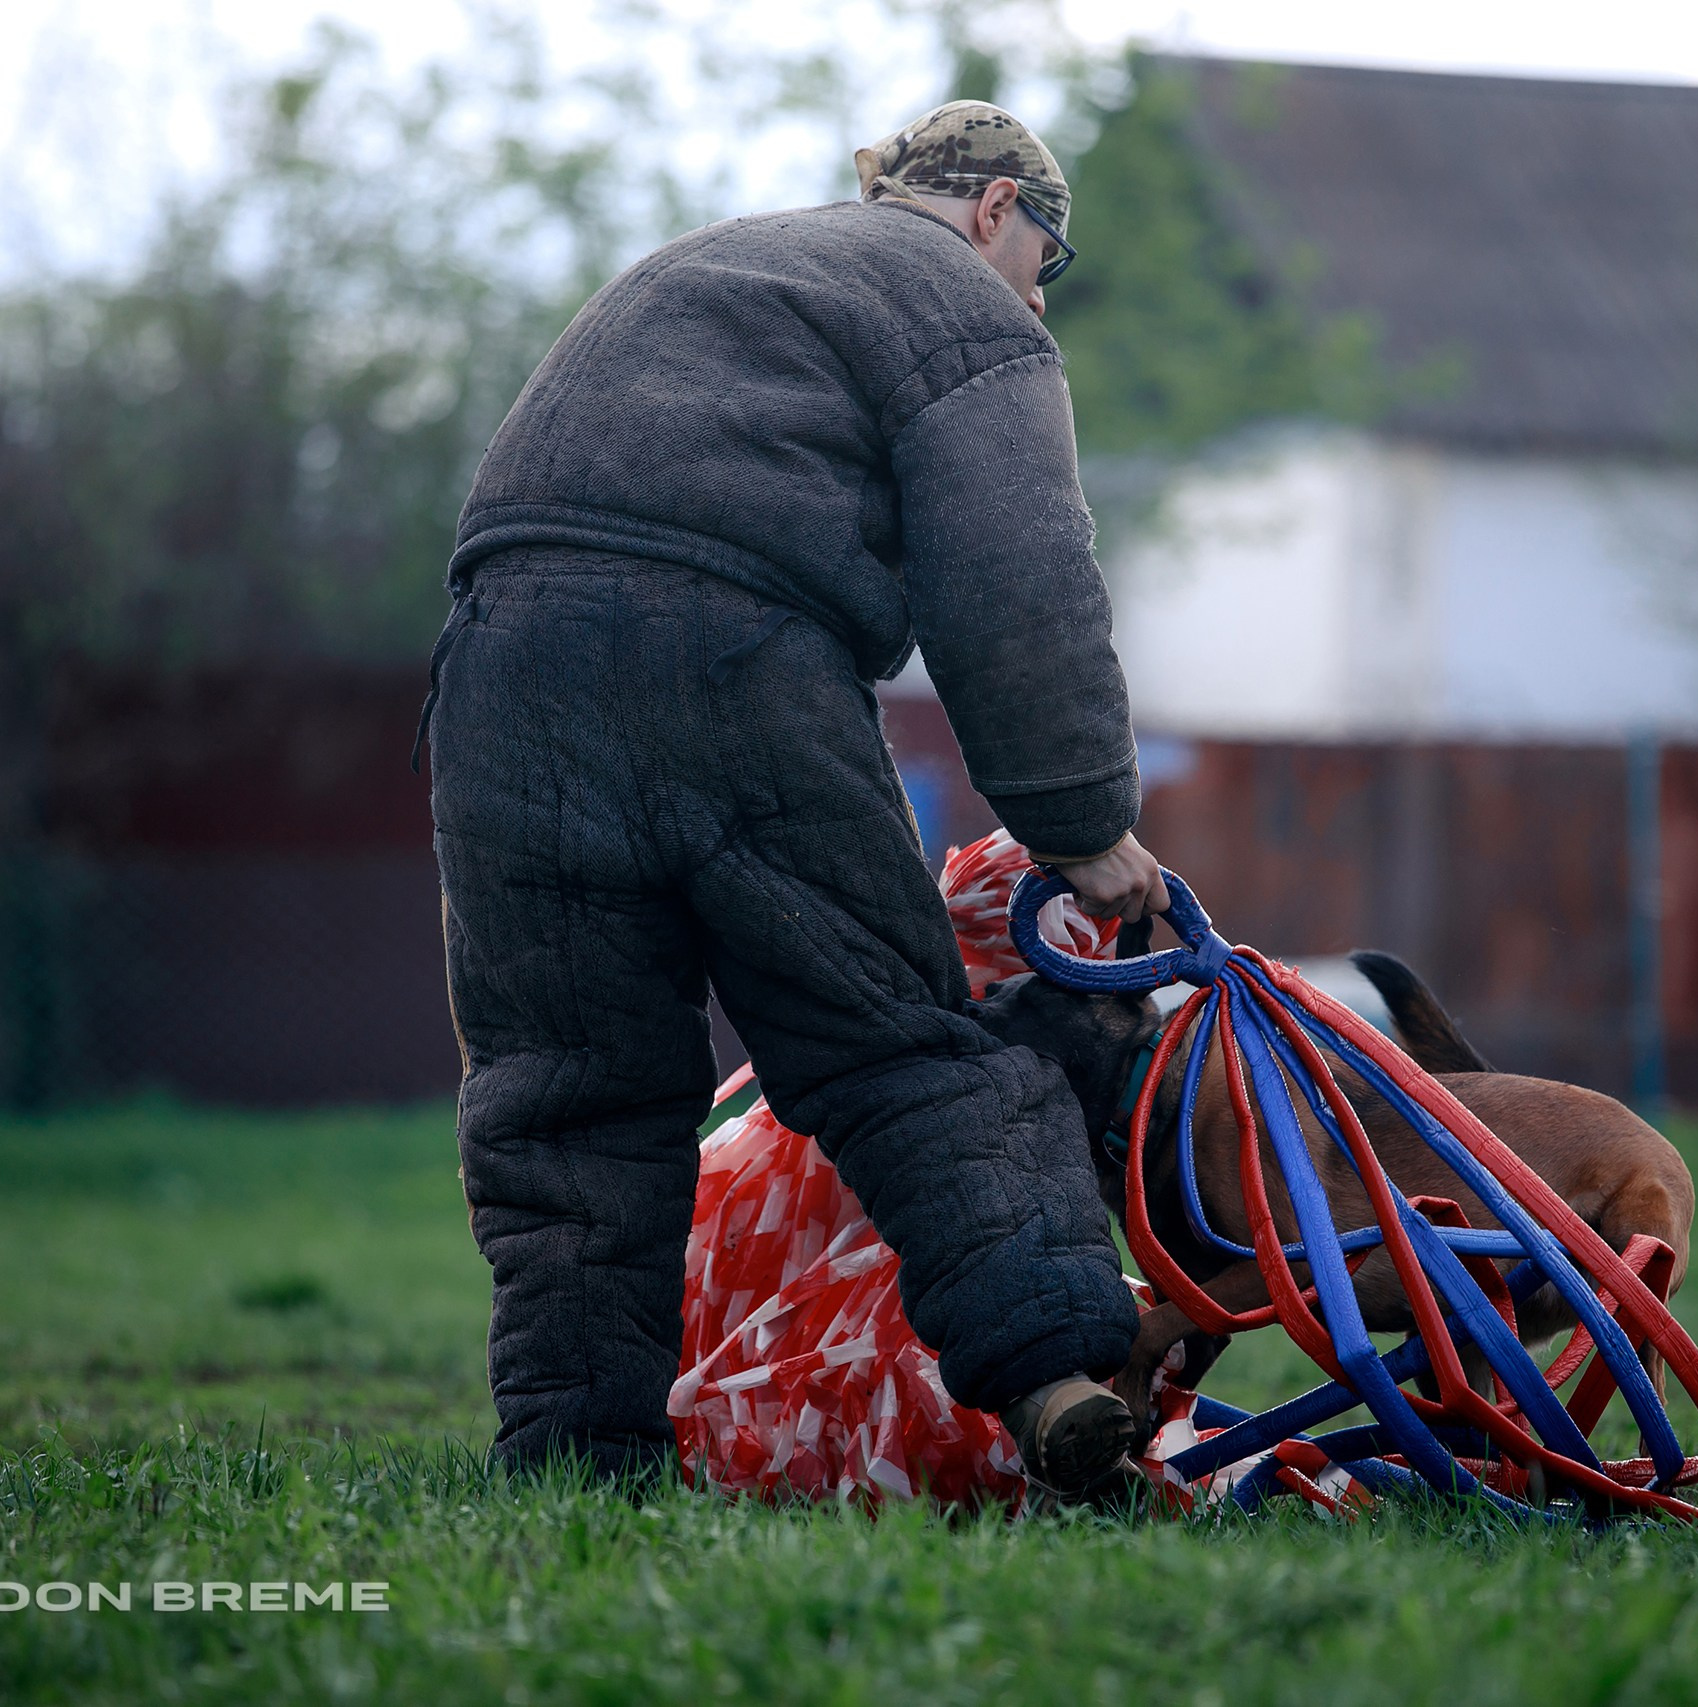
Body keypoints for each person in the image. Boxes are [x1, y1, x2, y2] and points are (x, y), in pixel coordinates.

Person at [422, 99, 1169, 1500]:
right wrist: (1081, 819)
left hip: (499, 664)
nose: (1037, 299)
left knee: (569, 1100)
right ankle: (1062, 1379)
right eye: (1045, 263)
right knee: (896, 1049)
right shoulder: (961, 304)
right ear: (1001, 208)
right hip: (727, 661)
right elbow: (1019, 585)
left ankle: (576, 1465)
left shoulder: (709, 264)